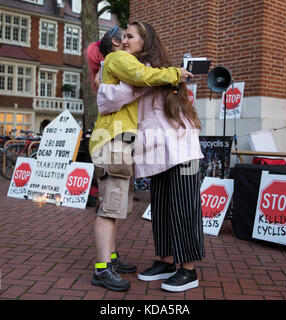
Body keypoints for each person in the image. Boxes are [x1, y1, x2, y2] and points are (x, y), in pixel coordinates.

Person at [96, 21, 205, 292]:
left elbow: (114, 93)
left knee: (183, 209)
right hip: (155, 155)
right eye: (122, 37)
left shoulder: (163, 73)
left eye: (130, 37)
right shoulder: (138, 72)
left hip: (182, 151)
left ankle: (188, 269)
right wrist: (149, 79)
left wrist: (162, 76)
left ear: (146, 42)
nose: (124, 41)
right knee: (162, 211)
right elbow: (108, 98)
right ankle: (166, 261)